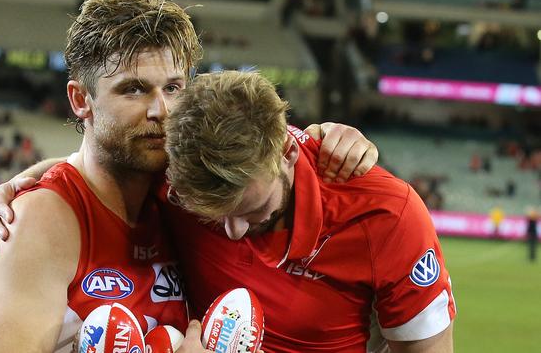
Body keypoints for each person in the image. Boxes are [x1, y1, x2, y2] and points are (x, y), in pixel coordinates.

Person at [0, 0, 202, 351]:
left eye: (173, 87)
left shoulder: (181, 196)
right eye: (134, 90)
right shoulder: (41, 222)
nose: (161, 111)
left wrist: (322, 137)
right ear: (81, 100)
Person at [160, 71, 455, 352]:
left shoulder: (384, 215)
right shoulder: (168, 179)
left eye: (254, 209)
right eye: (210, 214)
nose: (232, 231)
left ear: (288, 153)